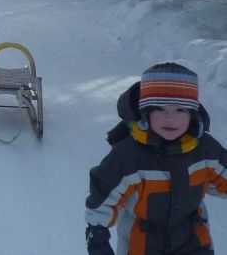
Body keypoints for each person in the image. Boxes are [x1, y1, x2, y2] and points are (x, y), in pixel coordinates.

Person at [85, 62, 227, 255]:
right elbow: (104, 192)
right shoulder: (129, 155)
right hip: (141, 247)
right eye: (160, 109)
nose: (170, 118)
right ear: (146, 112)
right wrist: (97, 232)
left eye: (180, 110)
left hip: (194, 244)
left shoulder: (205, 149)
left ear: (192, 115)